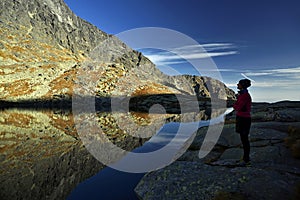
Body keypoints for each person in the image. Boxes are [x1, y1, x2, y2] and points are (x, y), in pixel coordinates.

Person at [233, 79, 252, 166]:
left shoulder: (244, 96)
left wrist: (234, 105)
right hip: (243, 118)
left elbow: (238, 107)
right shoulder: (243, 94)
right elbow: (238, 105)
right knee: (244, 139)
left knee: (244, 140)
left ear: (243, 85)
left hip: (243, 119)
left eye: (239, 84)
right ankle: (245, 158)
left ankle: (246, 160)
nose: (237, 84)